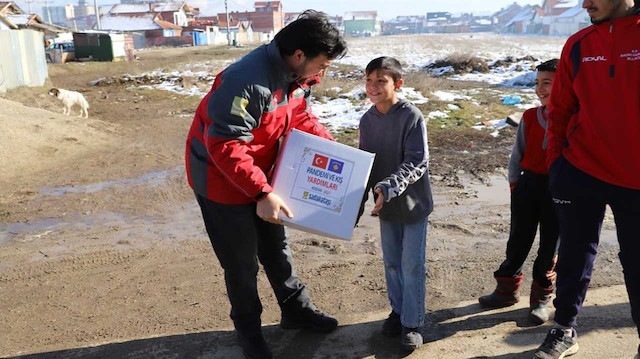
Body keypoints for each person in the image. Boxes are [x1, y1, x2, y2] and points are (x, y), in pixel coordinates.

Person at [185, 11, 347, 359]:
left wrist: (337, 153)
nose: (323, 73)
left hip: (263, 174)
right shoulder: (247, 80)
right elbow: (225, 144)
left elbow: (300, 116)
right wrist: (261, 192)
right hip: (221, 180)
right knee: (241, 262)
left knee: (275, 246)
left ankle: (295, 311)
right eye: (322, 64)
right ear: (299, 54)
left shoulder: (295, 75)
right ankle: (249, 333)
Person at [532, 1, 640, 358]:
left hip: (635, 179)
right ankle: (563, 330)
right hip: (580, 171)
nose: (584, 3)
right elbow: (561, 108)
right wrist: (557, 165)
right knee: (574, 256)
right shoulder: (579, 44)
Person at [357, 57, 433, 351]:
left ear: (397, 84)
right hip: (385, 207)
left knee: (412, 265)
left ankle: (412, 324)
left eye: (381, 81)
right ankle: (399, 310)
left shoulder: (411, 116)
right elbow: (365, 164)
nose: (372, 87)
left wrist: (388, 186)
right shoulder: (366, 120)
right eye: (368, 80)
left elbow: (417, 161)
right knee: (392, 263)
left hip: (413, 206)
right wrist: (354, 202)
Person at [478, 59, 561, 325]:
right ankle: (506, 291)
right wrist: (515, 184)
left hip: (559, 191)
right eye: (537, 83)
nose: (540, 89)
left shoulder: (574, 118)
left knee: (550, 247)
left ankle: (540, 299)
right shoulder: (528, 116)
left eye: (547, 83)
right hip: (528, 186)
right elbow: (518, 154)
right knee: (518, 241)